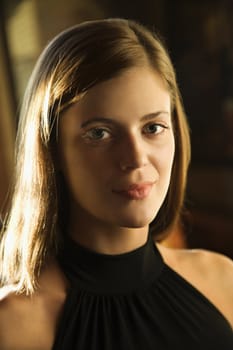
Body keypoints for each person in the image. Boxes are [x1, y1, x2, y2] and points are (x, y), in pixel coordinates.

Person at [0, 18, 232, 350]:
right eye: (100, 133)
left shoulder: (222, 282)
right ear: (53, 153)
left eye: (152, 127)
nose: (136, 158)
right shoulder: (15, 326)